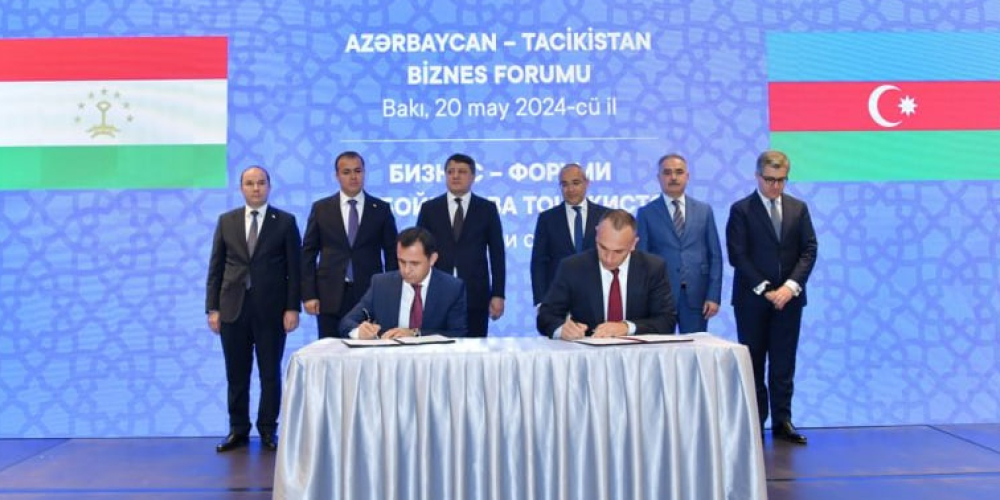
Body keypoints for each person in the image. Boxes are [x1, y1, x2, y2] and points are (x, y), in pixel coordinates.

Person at [205, 165, 301, 452]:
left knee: (269, 373)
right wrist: (212, 308)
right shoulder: (227, 221)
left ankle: (268, 430)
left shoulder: (285, 222)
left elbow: (295, 270)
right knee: (236, 374)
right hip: (232, 309)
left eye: (261, 183)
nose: (256, 188)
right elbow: (216, 267)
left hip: (271, 311)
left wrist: (292, 308)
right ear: (241, 188)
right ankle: (238, 429)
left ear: (269, 186)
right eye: (250, 183)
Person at [726, 150, 818, 445]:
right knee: (753, 363)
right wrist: (766, 289)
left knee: (783, 363)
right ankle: (755, 422)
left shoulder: (798, 208)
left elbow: (809, 249)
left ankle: (782, 422)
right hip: (752, 301)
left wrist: (789, 287)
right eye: (769, 179)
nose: (775, 186)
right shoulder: (741, 210)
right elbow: (737, 255)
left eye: (781, 180)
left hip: (789, 301)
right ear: (757, 176)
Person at [301, 151, 398, 338]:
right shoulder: (321, 208)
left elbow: (392, 253)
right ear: (337, 176)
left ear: (364, 173)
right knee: (330, 350)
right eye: (346, 172)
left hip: (370, 294)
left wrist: (390, 292)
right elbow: (308, 254)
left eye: (357, 171)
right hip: (329, 295)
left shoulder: (380, 209)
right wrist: (309, 294)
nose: (353, 176)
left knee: (368, 350)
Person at [537, 209, 676, 339]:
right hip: (589, 353)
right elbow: (546, 316)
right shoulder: (573, 267)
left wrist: (626, 327)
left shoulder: (653, 268)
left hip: (637, 354)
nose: (609, 258)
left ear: (633, 244)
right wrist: (562, 329)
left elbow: (666, 321)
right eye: (603, 247)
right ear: (596, 234)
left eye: (618, 251)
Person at [416, 153, 505, 336]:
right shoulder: (429, 208)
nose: (455, 176)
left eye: (462, 172)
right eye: (451, 172)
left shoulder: (487, 209)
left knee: (475, 348)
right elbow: (419, 252)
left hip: (475, 295)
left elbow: (497, 254)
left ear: (473, 176)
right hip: (436, 293)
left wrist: (498, 294)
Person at [637, 153, 723, 333]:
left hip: (697, 297)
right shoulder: (646, 213)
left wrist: (713, 296)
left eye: (679, 172)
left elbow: (715, 256)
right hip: (660, 297)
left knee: (696, 348)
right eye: (667, 173)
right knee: (660, 348)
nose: (673, 177)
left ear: (687, 176)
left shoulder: (704, 210)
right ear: (659, 178)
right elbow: (641, 259)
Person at [340, 227, 467, 338]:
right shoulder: (381, 284)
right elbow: (346, 323)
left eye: (414, 263)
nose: (406, 270)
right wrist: (359, 332)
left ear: (432, 259)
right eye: (401, 261)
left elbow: (458, 333)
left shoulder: (452, 288)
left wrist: (416, 334)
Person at [530, 163, 610, 306]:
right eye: (565, 184)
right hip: (559, 299)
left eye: (576, 183)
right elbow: (539, 263)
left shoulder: (605, 216)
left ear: (587, 183)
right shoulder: (547, 219)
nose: (570, 189)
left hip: (599, 298)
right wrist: (541, 302)